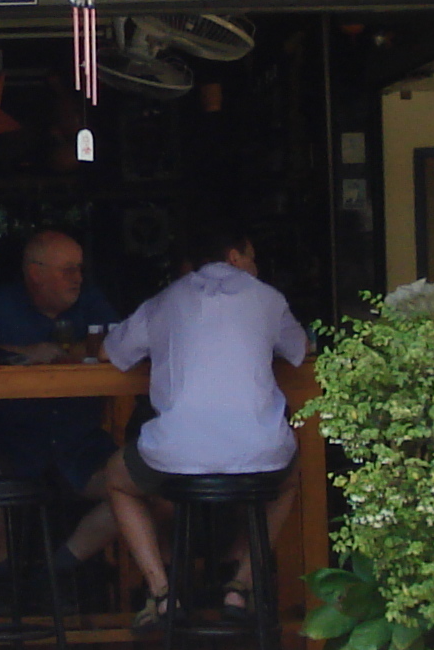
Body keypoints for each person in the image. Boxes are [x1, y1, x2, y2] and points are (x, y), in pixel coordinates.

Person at [98, 226, 312, 629]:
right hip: (260, 456)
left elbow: (114, 353)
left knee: (116, 478)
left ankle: (162, 593)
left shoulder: (166, 299)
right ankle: (240, 583)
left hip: (176, 457)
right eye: (252, 257)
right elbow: (300, 350)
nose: (256, 266)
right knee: (289, 476)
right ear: (234, 256)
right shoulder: (268, 298)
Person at [0, 229, 122, 580]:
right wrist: (23, 355)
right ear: (35, 274)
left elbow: (122, 342)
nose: (78, 278)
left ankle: (55, 573)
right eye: (67, 269)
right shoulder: (1, 304)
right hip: (7, 443)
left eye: (80, 269)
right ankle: (6, 584)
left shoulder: (91, 301)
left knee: (144, 485)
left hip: (79, 444)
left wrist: (69, 355)